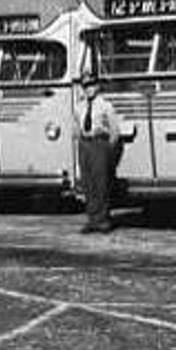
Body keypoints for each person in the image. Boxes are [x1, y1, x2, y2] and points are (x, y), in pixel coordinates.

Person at [73, 71, 122, 233]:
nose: (88, 88)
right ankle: (92, 219)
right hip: (85, 145)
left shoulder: (106, 106)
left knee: (101, 182)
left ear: (98, 86)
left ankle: (103, 219)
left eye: (91, 85)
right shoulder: (79, 107)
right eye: (85, 85)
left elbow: (115, 131)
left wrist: (109, 150)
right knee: (88, 183)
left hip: (99, 143)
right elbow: (76, 128)